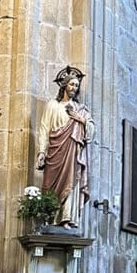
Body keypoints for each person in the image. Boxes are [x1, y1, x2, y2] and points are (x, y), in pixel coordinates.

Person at [36, 66, 95, 229]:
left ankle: (67, 218)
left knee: (72, 181)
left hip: (73, 152)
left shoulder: (80, 109)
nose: (74, 88)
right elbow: (44, 128)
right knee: (50, 185)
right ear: (64, 86)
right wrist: (41, 152)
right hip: (55, 151)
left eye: (76, 86)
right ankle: (50, 217)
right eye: (71, 85)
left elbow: (91, 129)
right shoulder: (52, 105)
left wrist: (80, 120)